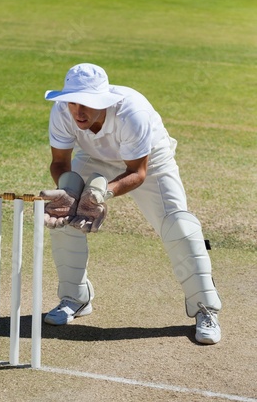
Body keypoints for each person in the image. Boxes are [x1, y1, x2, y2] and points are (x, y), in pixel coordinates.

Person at [40, 63, 221, 344]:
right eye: (73, 102)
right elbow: (60, 163)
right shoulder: (63, 111)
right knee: (66, 212)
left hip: (150, 159)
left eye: (87, 103)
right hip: (95, 157)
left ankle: (204, 307)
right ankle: (75, 298)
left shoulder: (131, 112)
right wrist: (69, 192)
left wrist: (102, 194)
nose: (78, 111)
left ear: (103, 100)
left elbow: (137, 172)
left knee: (178, 226)